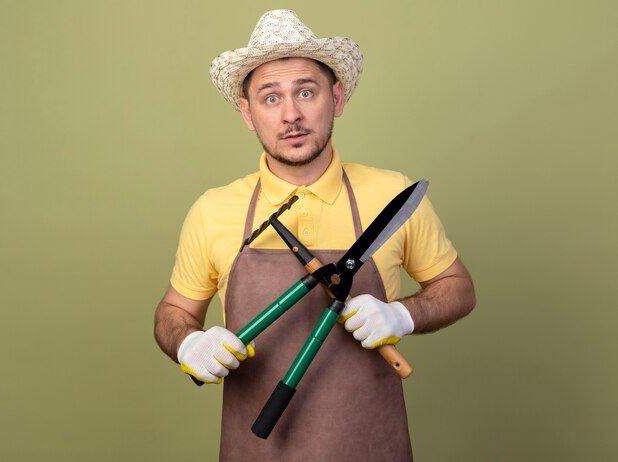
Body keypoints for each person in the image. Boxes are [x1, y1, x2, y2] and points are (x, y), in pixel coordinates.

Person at [154, 9, 475, 461]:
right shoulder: (213, 210)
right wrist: (189, 342)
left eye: (306, 92)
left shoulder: (392, 196)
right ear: (247, 112)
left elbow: (459, 289)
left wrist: (402, 316)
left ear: (337, 98)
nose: (291, 114)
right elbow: (172, 311)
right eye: (270, 98)